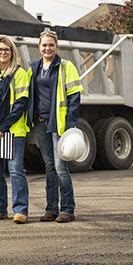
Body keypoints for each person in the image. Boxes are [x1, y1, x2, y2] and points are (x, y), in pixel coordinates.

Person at [27, 29, 84, 223]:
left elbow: (75, 97)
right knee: (49, 167)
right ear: (39, 47)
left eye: (51, 45)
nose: (47, 48)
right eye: (44, 45)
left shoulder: (66, 67)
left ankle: (67, 209)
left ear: (56, 46)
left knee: (61, 168)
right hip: (41, 124)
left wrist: (70, 125)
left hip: (59, 125)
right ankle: (51, 209)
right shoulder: (33, 68)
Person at [0, 36, 30, 224]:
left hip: (13, 130)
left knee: (16, 170)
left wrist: (3, 127)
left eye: (6, 49)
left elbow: (21, 103)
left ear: (12, 52)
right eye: (0, 49)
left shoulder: (19, 74)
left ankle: (20, 210)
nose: (3, 52)